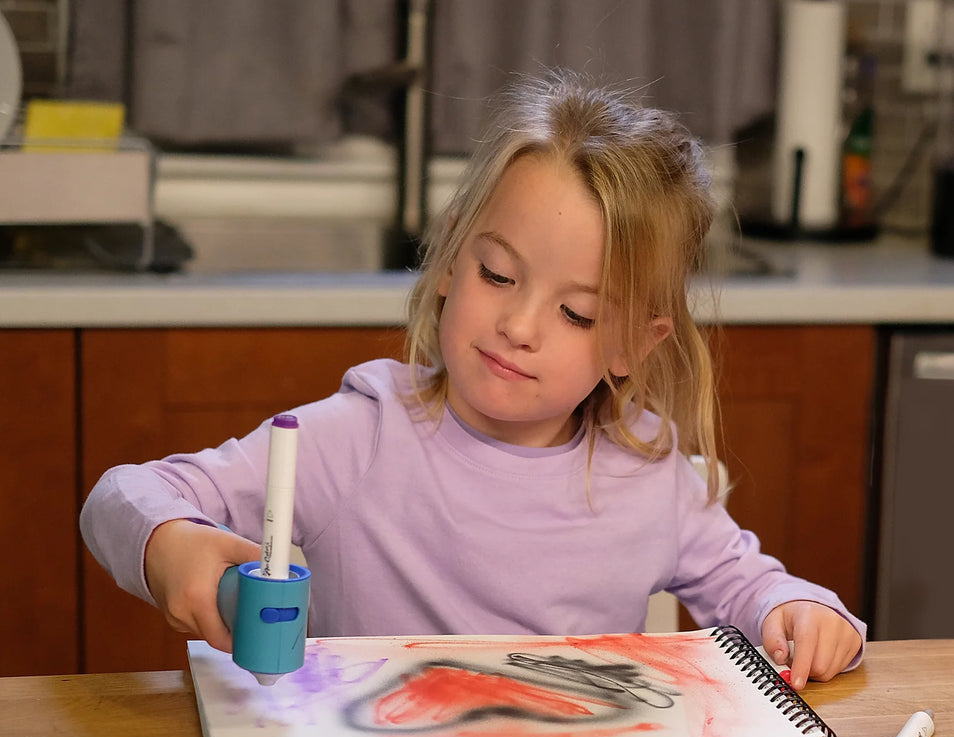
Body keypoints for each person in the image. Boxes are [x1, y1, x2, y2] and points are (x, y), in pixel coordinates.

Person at [80, 69, 864, 690]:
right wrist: (167, 544)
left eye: (579, 315)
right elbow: (119, 496)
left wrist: (801, 612)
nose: (519, 327)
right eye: (498, 275)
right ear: (454, 255)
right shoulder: (356, 438)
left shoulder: (650, 475)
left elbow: (754, 588)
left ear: (634, 344)